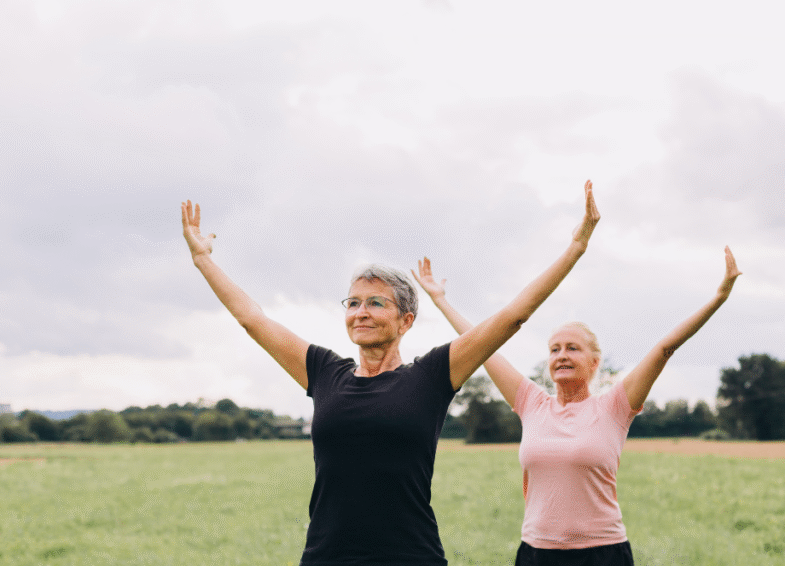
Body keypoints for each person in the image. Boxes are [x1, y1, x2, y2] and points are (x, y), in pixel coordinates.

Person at [180, 180, 601, 565]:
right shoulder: (325, 372)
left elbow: (513, 316)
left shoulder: (432, 376)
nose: (361, 312)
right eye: (353, 303)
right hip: (328, 557)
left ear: (407, 320)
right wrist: (204, 261)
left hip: (410, 556)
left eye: (376, 303)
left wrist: (575, 249)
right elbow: (254, 320)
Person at [413, 246, 741, 566]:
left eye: (573, 348)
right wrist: (441, 299)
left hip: (602, 552)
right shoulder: (531, 403)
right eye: (555, 349)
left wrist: (719, 297)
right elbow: (481, 345)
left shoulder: (615, 406)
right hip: (537, 552)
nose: (562, 355)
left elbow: (664, 349)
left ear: (594, 362)